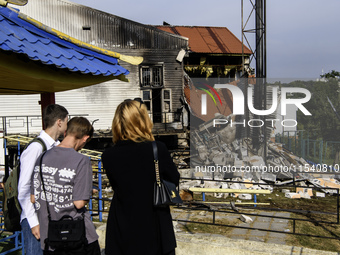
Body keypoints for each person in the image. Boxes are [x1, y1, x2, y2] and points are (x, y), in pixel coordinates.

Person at [102, 99, 180, 255]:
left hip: (122, 224)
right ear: (142, 120)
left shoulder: (108, 155)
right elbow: (173, 179)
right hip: (154, 222)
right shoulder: (157, 148)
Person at [31, 117, 100, 255]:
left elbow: (34, 197)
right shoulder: (82, 161)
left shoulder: (42, 157)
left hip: (50, 237)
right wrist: (89, 192)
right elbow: (79, 203)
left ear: (66, 132)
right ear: (85, 138)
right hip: (78, 236)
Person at [18, 104, 69, 255]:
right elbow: (24, 189)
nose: (67, 124)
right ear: (59, 122)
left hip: (49, 217)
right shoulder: (36, 148)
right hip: (34, 218)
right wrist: (33, 222)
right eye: (67, 120)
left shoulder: (55, 146)